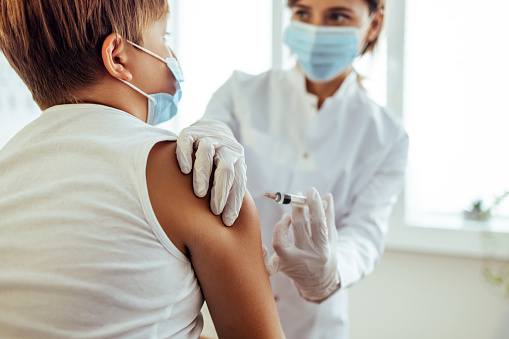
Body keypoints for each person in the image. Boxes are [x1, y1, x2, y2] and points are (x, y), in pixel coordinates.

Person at [0, 1, 285, 338]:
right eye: (164, 36)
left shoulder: (8, 171)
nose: (173, 58)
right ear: (117, 57)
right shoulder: (198, 176)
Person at [175, 0, 409, 338]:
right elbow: (206, 142)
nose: (315, 30)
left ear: (374, 23)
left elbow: (365, 233)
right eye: (302, 13)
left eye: (337, 15)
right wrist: (207, 135)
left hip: (315, 325)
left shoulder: (386, 136)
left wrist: (331, 269)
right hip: (227, 308)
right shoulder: (241, 93)